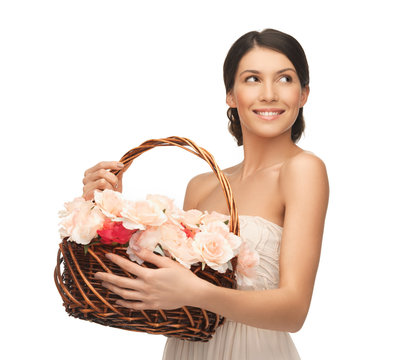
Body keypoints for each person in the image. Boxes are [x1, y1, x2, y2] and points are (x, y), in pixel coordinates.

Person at [83, 29, 329, 360]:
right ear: (231, 95)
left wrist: (200, 292)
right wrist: (106, 210)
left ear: (304, 94)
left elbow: (294, 311)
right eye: (253, 79)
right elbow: (168, 293)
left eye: (284, 79)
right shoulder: (201, 186)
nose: (269, 94)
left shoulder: (303, 170)